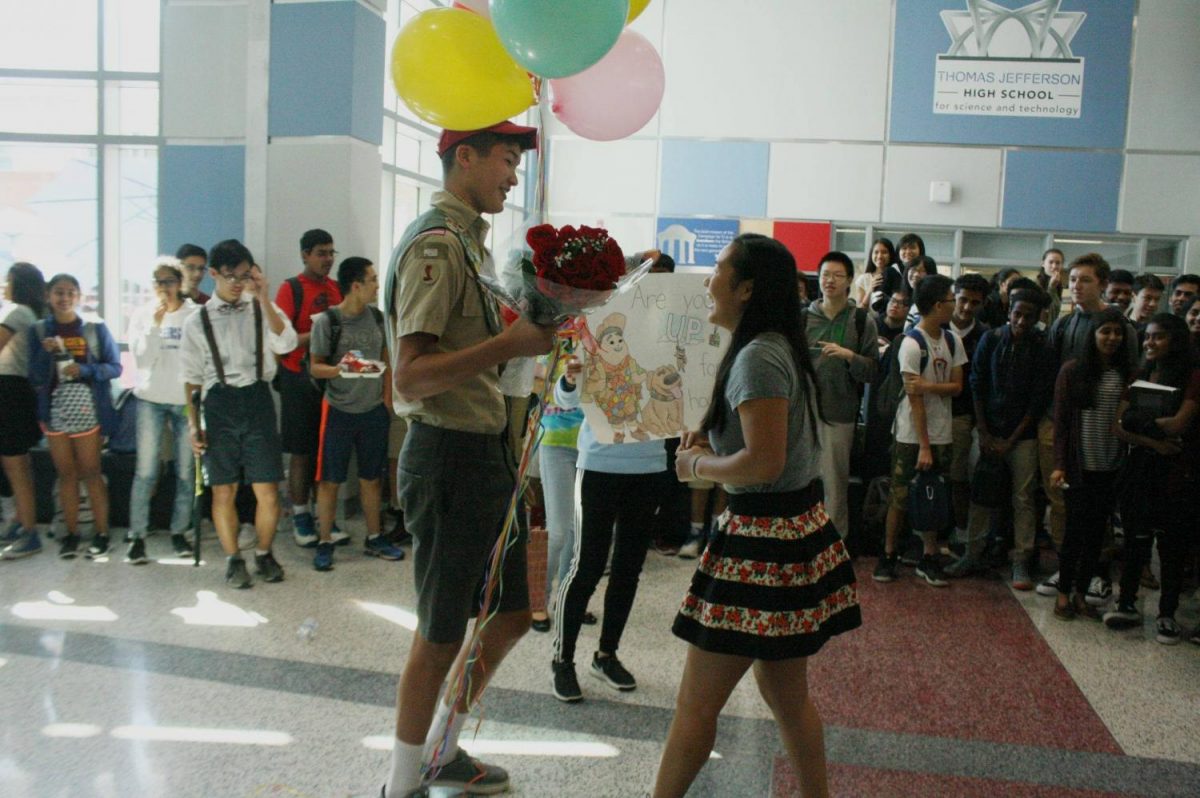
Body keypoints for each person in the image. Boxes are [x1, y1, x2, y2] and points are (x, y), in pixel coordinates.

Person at [380, 120, 554, 798]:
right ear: (465, 157)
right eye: (506, 160)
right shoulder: (438, 246)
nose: (513, 175)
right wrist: (511, 345)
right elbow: (413, 375)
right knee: (442, 630)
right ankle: (399, 784)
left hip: (486, 453)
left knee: (512, 611)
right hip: (446, 455)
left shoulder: (475, 250)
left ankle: (442, 749)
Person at [654, 233, 860, 798]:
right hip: (786, 535)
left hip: (760, 548)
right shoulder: (767, 346)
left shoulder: (758, 356)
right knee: (788, 700)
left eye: (719, 268)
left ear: (746, 288)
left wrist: (697, 465)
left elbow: (763, 461)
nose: (709, 278)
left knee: (697, 705)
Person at [549, 349, 667, 703]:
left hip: (649, 465)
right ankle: (562, 660)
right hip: (599, 463)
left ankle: (606, 655)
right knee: (586, 567)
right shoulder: (596, 334)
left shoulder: (662, 335)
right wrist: (570, 379)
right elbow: (564, 396)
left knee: (628, 569)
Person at [181, 242, 296, 588]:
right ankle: (234, 560)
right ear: (214, 274)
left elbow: (287, 343)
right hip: (218, 406)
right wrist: (192, 425)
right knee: (223, 491)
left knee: (268, 490)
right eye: (231, 276)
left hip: (258, 400)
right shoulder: (196, 320)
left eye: (244, 276)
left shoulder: (262, 308)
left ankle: (263, 553)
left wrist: (262, 296)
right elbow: (191, 379)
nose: (237, 283)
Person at [1038, 254, 1138, 600]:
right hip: (1063, 425)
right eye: (1073, 280)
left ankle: (1094, 573)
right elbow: (1050, 372)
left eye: (1085, 280)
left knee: (1100, 515)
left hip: (1108, 440)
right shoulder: (1064, 324)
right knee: (1064, 506)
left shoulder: (1118, 326)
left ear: (1102, 284)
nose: (1076, 286)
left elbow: (1130, 379)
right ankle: (1066, 571)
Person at [947, 288, 1052, 584]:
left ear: (1037, 318)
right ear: (1009, 313)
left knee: (1023, 498)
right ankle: (972, 553)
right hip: (988, 431)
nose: (1021, 321)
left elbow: (1038, 399)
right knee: (979, 491)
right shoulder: (990, 340)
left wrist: (1011, 440)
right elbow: (977, 383)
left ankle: (1021, 559)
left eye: (1028, 316)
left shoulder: (1042, 349)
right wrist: (984, 431)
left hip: (1023, 437)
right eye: (1017, 314)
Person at [308, 256, 406, 572]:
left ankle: (374, 537)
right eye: (373, 279)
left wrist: (387, 401)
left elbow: (387, 361)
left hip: (373, 411)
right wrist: (342, 368)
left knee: (372, 478)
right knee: (329, 480)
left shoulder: (378, 320)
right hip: (337, 411)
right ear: (356, 285)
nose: (377, 285)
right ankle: (324, 541)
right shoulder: (328, 322)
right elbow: (315, 366)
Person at [1105, 313, 1199, 644]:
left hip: (1176, 474)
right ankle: (1126, 602)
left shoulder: (1192, 376)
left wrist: (1138, 422)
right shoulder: (1140, 374)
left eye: (1158, 337)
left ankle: (1167, 614)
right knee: (1135, 541)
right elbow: (1118, 425)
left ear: (1175, 340)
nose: (1150, 342)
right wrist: (1152, 439)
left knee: (1172, 547)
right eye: (1147, 337)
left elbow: (1179, 424)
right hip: (1142, 467)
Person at [873, 274, 964, 587]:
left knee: (933, 494)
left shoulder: (952, 340)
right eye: (952, 300)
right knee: (900, 496)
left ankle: (929, 556)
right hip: (912, 435)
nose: (955, 305)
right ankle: (888, 555)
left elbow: (957, 386)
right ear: (939, 305)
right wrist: (924, 446)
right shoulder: (911, 343)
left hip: (943, 432)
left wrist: (929, 385)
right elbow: (915, 401)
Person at [27, 274, 122, 559]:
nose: (64, 297)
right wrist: (47, 356)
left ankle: (102, 533)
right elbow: (33, 375)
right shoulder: (39, 331)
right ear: (48, 296)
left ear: (79, 297)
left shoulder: (94, 328)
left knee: (92, 473)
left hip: (88, 408)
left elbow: (114, 367)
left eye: (70, 292)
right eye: (59, 292)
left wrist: (85, 371)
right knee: (66, 474)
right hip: (54, 410)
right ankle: (71, 534)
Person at [125, 258, 199, 563]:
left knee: (185, 471)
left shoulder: (193, 314)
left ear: (180, 282)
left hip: (184, 401)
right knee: (146, 471)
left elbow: (200, 359)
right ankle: (137, 536)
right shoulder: (143, 315)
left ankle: (179, 533)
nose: (162, 288)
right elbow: (141, 361)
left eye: (168, 281)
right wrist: (155, 327)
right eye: (157, 281)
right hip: (150, 399)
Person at [275, 228, 344, 547]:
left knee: (325, 450)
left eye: (331, 253)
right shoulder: (290, 289)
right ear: (305, 255)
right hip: (297, 379)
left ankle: (323, 515)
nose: (327, 259)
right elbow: (281, 343)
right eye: (321, 253)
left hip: (330, 379)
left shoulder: (336, 289)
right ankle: (300, 513)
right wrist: (318, 328)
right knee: (301, 452)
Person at [805, 251, 877, 539]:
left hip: (841, 413)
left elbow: (873, 371)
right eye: (825, 275)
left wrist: (849, 356)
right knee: (801, 482)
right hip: (804, 414)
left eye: (836, 275)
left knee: (835, 485)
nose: (829, 281)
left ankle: (834, 546)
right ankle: (803, 542)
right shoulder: (803, 317)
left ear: (849, 280)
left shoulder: (861, 321)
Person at [0, 263, 48, 559]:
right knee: (17, 465)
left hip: (9, 391)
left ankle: (30, 532)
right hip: (15, 391)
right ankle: (20, 521)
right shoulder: (29, 313)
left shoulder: (18, 312)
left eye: (8, 280)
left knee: (16, 465)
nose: (4, 284)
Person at [946, 273, 989, 537]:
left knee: (959, 477)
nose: (966, 307)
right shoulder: (933, 327)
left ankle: (960, 532)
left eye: (974, 303)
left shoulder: (985, 335)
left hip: (964, 416)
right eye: (962, 300)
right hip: (929, 412)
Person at [879, 233, 924, 306]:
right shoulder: (890, 271)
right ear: (898, 251)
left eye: (912, 248)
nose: (908, 251)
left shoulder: (925, 272)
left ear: (920, 250)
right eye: (904, 248)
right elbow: (880, 300)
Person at [856, 236, 894, 311]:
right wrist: (870, 289)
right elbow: (859, 310)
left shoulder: (897, 277)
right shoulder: (863, 279)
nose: (879, 256)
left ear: (891, 255)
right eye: (876, 252)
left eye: (884, 252)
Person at [1036, 248, 1065, 324]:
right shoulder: (1035, 285)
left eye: (1058, 263)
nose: (1054, 266)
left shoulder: (1061, 286)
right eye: (1051, 262)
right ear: (1043, 264)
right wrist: (1051, 288)